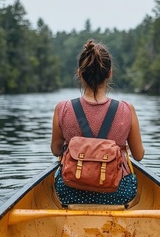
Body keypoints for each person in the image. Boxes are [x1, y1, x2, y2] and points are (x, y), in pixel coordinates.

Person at [51, 39, 145, 205]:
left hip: (70, 191)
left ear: (80, 73)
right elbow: (138, 156)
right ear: (109, 73)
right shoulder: (126, 109)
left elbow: (55, 150)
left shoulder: (62, 108)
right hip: (118, 192)